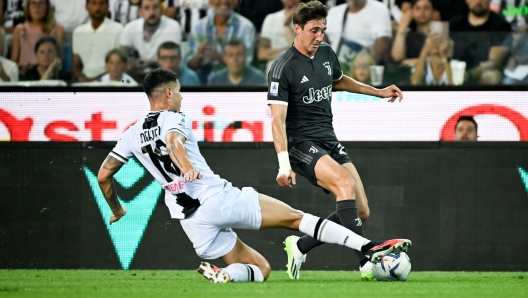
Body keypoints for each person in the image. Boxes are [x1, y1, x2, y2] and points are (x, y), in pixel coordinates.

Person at [96, 68, 412, 283]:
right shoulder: (174, 118)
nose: (181, 98)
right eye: (178, 93)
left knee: (261, 269)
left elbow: (104, 176)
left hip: (191, 223)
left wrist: (117, 209)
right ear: (166, 93)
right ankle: (369, 247)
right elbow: (173, 142)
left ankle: (224, 275)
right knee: (296, 218)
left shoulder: (131, 134)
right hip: (216, 199)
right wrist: (184, 165)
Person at [267, 1, 404, 281]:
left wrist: (377, 92)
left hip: (328, 138)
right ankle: (366, 260)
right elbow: (276, 120)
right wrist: (283, 164)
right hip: (300, 145)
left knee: (361, 210)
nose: (319, 37)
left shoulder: (327, 53)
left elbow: (338, 80)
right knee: (344, 183)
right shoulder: (282, 68)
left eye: (323, 30)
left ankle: (300, 245)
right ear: (297, 29)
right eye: (314, 30)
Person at [186, 0, 255, 84]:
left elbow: (246, 63)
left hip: (234, 84)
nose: (224, 1)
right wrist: (198, 56)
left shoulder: (246, 27)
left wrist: (220, 58)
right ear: (210, 1)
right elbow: (188, 65)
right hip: (203, 85)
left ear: (236, 1)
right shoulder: (199, 27)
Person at [449, 0, 511, 85]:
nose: (478, 1)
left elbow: (494, 62)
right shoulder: (454, 25)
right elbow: (445, 55)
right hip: (454, 71)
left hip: (482, 74)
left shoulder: (501, 26)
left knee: (492, 76)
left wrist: (469, 75)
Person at [325, 0, 392, 69]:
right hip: (334, 70)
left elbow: (382, 42)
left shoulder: (379, 9)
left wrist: (364, 69)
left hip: (362, 71)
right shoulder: (334, 12)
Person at [72, 0, 123, 82]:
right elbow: (75, 67)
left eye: (101, 3)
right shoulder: (78, 32)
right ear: (86, 6)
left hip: (109, 81)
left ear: (107, 6)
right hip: (84, 82)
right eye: (93, 3)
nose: (97, 8)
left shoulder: (118, 29)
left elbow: (118, 64)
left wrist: (94, 81)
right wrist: (82, 78)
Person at [120, 0, 182, 65]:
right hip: (136, 70)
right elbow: (123, 55)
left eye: (155, 7)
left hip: (164, 71)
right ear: (140, 12)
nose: (152, 12)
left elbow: (172, 57)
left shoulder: (172, 26)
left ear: (161, 9)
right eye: (147, 8)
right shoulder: (130, 28)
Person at [10, 0, 64, 74]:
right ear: (28, 7)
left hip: (50, 73)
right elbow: (13, 62)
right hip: (26, 75)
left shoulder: (58, 29)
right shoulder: (20, 29)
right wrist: (22, 67)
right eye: (33, 3)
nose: (37, 7)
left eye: (41, 3)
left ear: (47, 7)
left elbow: (59, 59)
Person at [258, 0, 300, 76]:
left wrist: (286, 25)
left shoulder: (309, 19)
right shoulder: (271, 19)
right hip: (274, 75)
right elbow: (262, 53)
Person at [391, 0, 435, 68]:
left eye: (426, 8)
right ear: (412, 12)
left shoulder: (439, 32)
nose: (422, 12)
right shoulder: (408, 35)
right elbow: (397, 58)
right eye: (418, 8)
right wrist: (402, 26)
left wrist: (416, 61)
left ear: (432, 12)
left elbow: (441, 58)